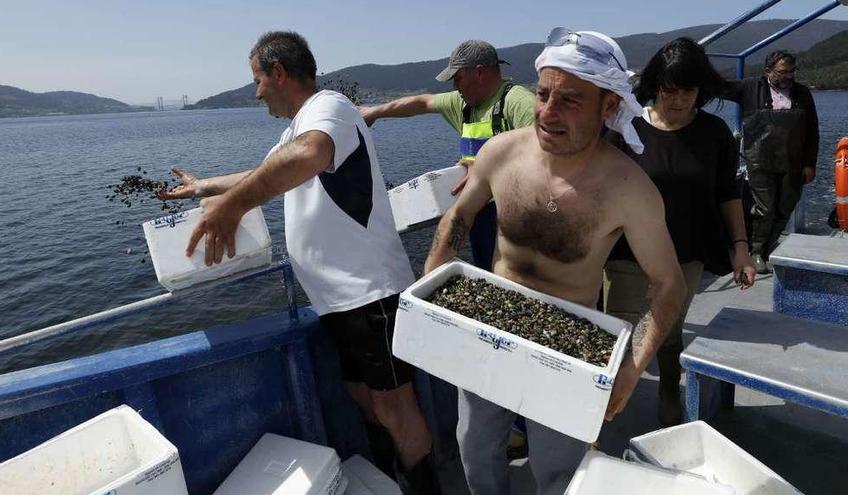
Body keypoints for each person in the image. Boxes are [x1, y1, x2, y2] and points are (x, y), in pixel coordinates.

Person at [159, 31, 439, 494]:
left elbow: (309, 155)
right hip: (337, 302)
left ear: (280, 74)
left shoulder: (331, 107)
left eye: (257, 80)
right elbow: (263, 171)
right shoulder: (294, 132)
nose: (255, 92)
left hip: (370, 293)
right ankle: (390, 483)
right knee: (364, 400)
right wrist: (205, 187)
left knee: (395, 407)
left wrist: (235, 206)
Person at [422, 28, 687, 493]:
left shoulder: (629, 190)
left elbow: (668, 284)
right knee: (475, 447)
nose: (547, 112)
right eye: (543, 94)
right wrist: (435, 280)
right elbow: (459, 216)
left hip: (570, 345)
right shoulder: (501, 152)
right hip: (489, 322)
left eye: (569, 100)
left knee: (559, 470)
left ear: (608, 108)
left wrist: (630, 367)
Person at [603, 37, 756, 427]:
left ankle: (670, 386)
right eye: (670, 90)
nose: (680, 100)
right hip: (626, 252)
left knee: (667, 328)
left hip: (686, 253)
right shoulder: (626, 127)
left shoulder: (715, 133)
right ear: (655, 84)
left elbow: (728, 193)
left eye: (689, 91)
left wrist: (741, 247)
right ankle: (600, 408)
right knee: (618, 332)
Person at [359, 40, 536, 271]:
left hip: (516, 220)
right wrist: (374, 112)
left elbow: (551, 159)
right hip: (478, 215)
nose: (455, 86)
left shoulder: (518, 102)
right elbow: (422, 102)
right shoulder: (464, 104)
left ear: (480, 72)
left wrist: (486, 168)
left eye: (458, 78)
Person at [723, 50, 819, 273]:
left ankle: (768, 247)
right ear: (768, 71)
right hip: (760, 162)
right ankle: (756, 251)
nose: (788, 76)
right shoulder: (750, 87)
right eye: (782, 72)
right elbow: (720, 87)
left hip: (793, 162)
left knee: (785, 207)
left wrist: (809, 163)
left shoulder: (802, 93)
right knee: (765, 209)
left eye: (791, 72)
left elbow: (813, 131)